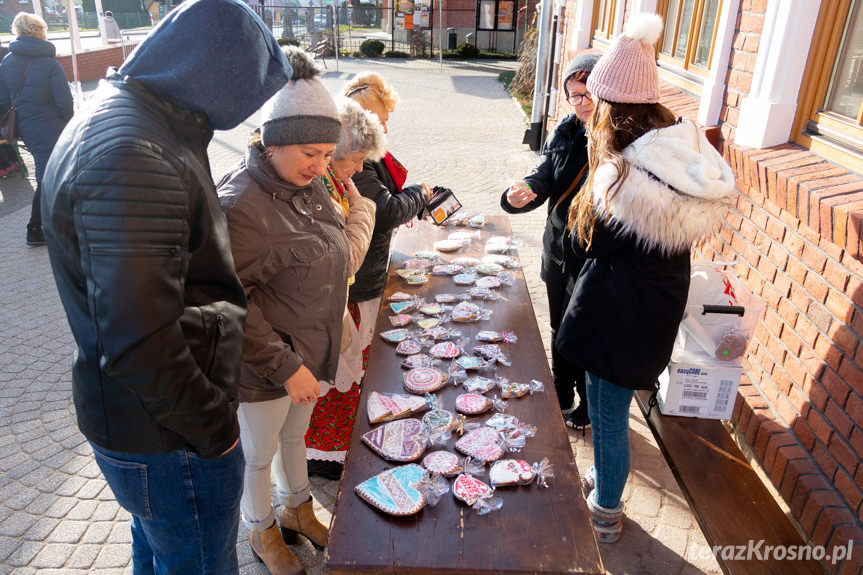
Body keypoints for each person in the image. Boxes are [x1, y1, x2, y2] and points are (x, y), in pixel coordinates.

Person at [40, 2, 292, 573]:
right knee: (197, 561)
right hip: (170, 433)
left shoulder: (130, 117)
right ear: (215, 72)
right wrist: (215, 430)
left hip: (149, 423)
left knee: (159, 548)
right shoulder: (134, 152)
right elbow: (139, 338)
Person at [556, 13, 734, 543]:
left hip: (616, 315)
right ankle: (605, 482)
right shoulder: (680, 147)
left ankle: (606, 512)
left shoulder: (625, 171)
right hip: (654, 307)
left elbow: (587, 242)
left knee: (609, 417)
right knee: (614, 409)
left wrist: (587, 192)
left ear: (612, 105)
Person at [217, 47, 347, 575]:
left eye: (327, 155)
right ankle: (261, 530)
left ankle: (298, 510)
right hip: (268, 365)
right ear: (273, 143)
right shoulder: (241, 205)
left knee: (296, 439)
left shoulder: (308, 188)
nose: (320, 167)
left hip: (309, 351)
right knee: (257, 453)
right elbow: (228, 299)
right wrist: (284, 365)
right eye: (310, 153)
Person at [316, 73, 431, 481]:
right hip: (354, 281)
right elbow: (383, 210)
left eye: (385, 119)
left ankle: (337, 443)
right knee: (343, 370)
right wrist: (420, 193)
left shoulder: (355, 157)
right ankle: (326, 453)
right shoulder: (345, 159)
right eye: (375, 117)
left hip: (361, 272)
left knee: (352, 366)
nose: (383, 126)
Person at [501, 52, 598, 431]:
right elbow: (545, 175)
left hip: (590, 257)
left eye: (590, 93)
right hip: (556, 248)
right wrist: (521, 193)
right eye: (574, 95)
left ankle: (589, 404)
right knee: (559, 325)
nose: (583, 103)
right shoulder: (568, 130)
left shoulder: (615, 141)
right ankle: (562, 391)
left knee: (583, 332)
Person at [304, 96, 385, 479]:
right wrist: (364, 209)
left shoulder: (334, 181)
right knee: (331, 384)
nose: (359, 168)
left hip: (335, 300)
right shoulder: (323, 186)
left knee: (340, 381)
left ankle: (327, 453)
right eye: (355, 159)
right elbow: (347, 258)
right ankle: (322, 457)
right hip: (324, 307)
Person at [0, 12, 73, 246]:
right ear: (40, 31)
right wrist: (70, 124)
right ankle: (35, 228)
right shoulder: (49, 63)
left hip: (26, 126)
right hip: (50, 125)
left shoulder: (7, 61)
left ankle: (61, 223)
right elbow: (64, 101)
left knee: (52, 171)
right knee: (47, 175)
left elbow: (3, 97)